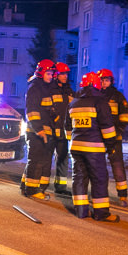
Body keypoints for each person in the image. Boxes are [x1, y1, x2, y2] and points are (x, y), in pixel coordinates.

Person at [66, 72, 119, 222]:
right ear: (96, 84)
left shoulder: (73, 103)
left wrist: (74, 141)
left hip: (76, 148)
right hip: (94, 149)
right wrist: (111, 146)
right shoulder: (100, 102)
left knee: (79, 178)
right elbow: (107, 128)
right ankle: (101, 213)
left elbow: (67, 128)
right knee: (99, 179)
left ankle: (81, 211)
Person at [21, 59, 56, 199]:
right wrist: (39, 129)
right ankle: (32, 191)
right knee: (35, 160)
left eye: (52, 73)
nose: (51, 76)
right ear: (41, 73)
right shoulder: (35, 87)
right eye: (48, 73)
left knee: (36, 160)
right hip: (35, 131)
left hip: (41, 130)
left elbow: (45, 109)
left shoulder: (43, 87)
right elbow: (32, 111)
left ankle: (26, 186)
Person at [97, 68, 128, 206]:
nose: (105, 83)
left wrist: (119, 131)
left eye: (107, 80)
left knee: (117, 165)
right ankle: (100, 193)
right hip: (98, 138)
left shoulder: (118, 96)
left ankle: (123, 196)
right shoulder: (95, 95)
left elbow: (125, 116)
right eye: (102, 80)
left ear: (111, 81)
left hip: (114, 138)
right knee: (98, 167)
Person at [52, 62, 75, 195]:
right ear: (56, 75)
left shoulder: (69, 91)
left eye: (66, 73)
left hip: (63, 131)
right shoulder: (49, 89)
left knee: (63, 158)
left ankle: (60, 187)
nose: (65, 76)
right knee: (43, 158)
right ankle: (34, 183)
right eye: (62, 74)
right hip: (51, 130)